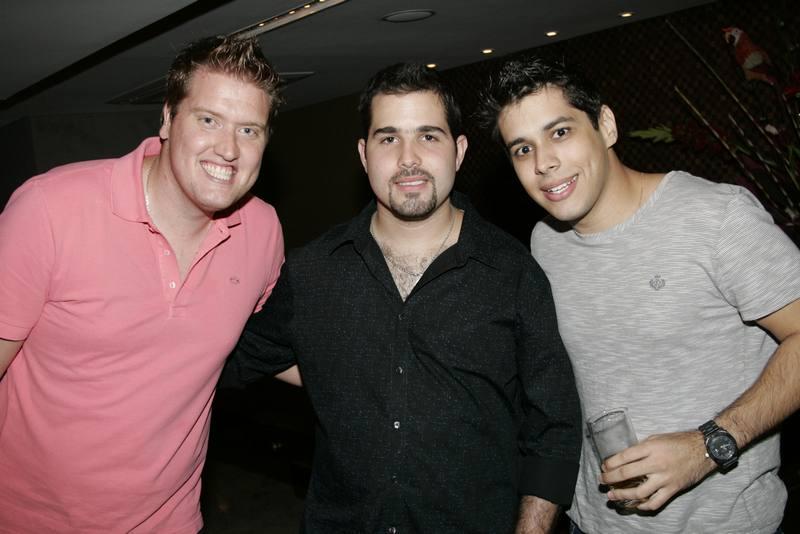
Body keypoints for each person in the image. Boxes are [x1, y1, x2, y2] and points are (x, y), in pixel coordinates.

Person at [222, 62, 582, 533]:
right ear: (363, 154)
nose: (409, 159)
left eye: (428, 136)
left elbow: (554, 427)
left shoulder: (514, 273)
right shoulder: (313, 271)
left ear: (459, 151)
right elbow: (230, 354)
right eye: (389, 138)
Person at [478, 56, 800, 534]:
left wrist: (709, 445)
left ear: (605, 125)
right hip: (592, 524)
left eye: (560, 132)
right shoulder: (545, 244)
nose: (543, 163)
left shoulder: (716, 218)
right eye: (522, 149)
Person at [0, 35, 296, 533]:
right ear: (167, 119)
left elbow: (269, 343)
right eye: (208, 120)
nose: (228, 149)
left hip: (169, 521)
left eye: (249, 130)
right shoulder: (50, 210)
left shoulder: (261, 230)